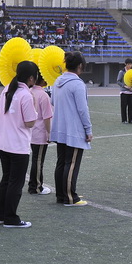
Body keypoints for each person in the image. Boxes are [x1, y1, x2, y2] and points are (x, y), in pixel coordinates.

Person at [0, 61, 38, 227]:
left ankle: (0, 215)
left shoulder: (7, 89)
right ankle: (10, 218)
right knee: (15, 183)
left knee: (6, 179)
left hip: (3, 142)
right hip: (18, 145)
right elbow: (30, 122)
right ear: (31, 78)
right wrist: (34, 107)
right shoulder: (26, 95)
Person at [51, 51, 92, 206]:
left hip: (59, 128)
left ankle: (61, 195)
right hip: (73, 130)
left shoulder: (57, 81)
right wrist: (88, 129)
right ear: (80, 66)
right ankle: (70, 197)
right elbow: (83, 110)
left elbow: (53, 101)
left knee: (61, 162)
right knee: (72, 163)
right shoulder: (78, 84)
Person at [27, 70, 53, 195]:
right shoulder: (43, 95)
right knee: (38, 161)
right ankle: (36, 186)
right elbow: (47, 117)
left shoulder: (29, 91)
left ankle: (34, 184)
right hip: (40, 132)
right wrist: (49, 133)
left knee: (35, 159)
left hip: (30, 131)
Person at [116, 58, 132, 124]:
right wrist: (124, 86)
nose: (130, 66)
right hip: (124, 92)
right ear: (125, 64)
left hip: (131, 92)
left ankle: (131, 119)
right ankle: (124, 120)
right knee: (124, 106)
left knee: (131, 106)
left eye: (131, 64)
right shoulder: (121, 72)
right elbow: (118, 81)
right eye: (128, 64)